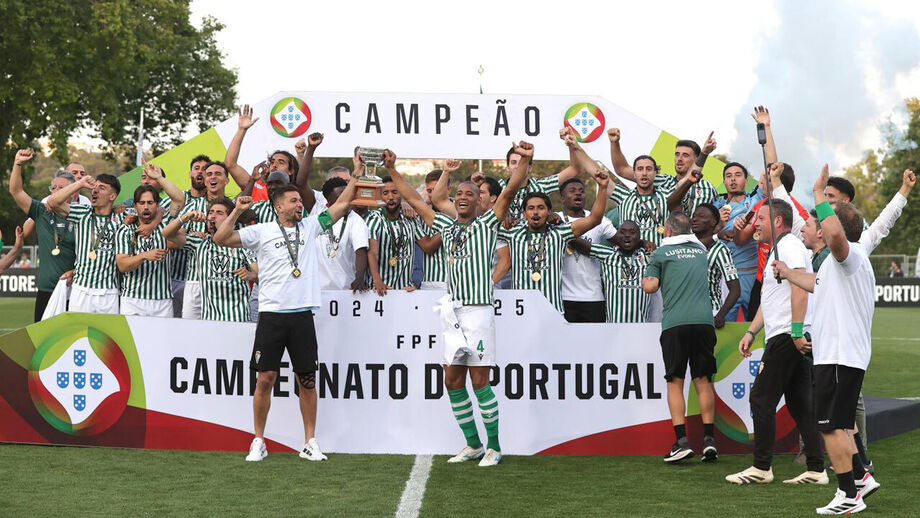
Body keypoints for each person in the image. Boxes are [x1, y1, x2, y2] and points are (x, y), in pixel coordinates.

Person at [383, 141, 529, 467]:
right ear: (453, 199)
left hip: (478, 311)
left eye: (469, 194)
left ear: (480, 201)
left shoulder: (487, 225)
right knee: (452, 381)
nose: (463, 197)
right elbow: (412, 197)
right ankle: (473, 444)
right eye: (458, 194)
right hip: (452, 313)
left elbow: (511, 189)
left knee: (480, 382)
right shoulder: (446, 226)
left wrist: (528, 158)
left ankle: (494, 446)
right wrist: (393, 168)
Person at [214, 177, 358, 462]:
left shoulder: (312, 225)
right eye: (293, 201)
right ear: (278, 206)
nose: (299, 205)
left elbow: (342, 205)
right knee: (265, 378)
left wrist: (354, 176)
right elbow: (221, 238)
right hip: (272, 315)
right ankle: (258, 440)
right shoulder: (261, 231)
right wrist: (236, 211)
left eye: (300, 201)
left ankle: (310, 442)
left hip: (302, 314)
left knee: (306, 379)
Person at [773, 166, 880, 514]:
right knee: (842, 424)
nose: (815, 223)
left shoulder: (848, 255)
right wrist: (788, 273)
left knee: (832, 427)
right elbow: (814, 283)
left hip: (839, 355)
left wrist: (819, 193)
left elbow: (834, 235)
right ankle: (861, 477)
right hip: (840, 356)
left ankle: (848, 495)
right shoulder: (836, 267)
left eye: (822, 220)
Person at [725, 198, 826, 486]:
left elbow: (801, 288)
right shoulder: (776, 250)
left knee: (761, 398)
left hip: (787, 335)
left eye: (762, 218)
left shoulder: (790, 246)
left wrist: (795, 332)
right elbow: (770, 299)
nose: (756, 223)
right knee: (800, 404)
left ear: (778, 221)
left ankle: (761, 467)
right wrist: (751, 332)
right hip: (783, 332)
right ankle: (817, 469)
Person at [642, 211, 717, 463]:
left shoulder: (661, 253)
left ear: (669, 231)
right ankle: (709, 440)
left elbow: (649, 286)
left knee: (675, 381)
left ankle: (681, 441)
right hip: (704, 322)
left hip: (676, 323)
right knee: (703, 380)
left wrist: (651, 270)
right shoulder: (700, 252)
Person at [499, 174, 609, 314]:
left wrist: (603, 188)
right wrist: (504, 219)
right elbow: (485, 225)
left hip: (553, 312)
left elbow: (594, 219)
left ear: (549, 212)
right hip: (522, 312)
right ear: (524, 214)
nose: (536, 212)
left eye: (541, 207)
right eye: (531, 208)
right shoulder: (512, 233)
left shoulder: (559, 233)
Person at [8, 149, 78, 321]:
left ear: (73, 191)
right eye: (53, 188)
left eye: (61, 188)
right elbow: (16, 192)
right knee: (43, 344)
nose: (55, 192)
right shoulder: (41, 211)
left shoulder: (83, 215)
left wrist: (77, 271)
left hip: (75, 291)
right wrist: (17, 163)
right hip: (46, 291)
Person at [164, 198, 257, 322]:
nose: (213, 216)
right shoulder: (199, 243)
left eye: (219, 213)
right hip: (210, 321)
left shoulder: (242, 245)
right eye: (211, 212)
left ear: (230, 219)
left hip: (238, 319)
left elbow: (261, 276)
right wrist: (185, 217)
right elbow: (167, 234)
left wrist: (252, 275)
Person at [47, 174, 125, 314]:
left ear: (112, 196)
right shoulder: (83, 213)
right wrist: (80, 183)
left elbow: (157, 210)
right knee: (79, 334)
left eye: (101, 188)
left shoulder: (122, 218)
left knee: (106, 335)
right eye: (94, 187)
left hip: (109, 294)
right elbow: (53, 202)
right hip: (81, 290)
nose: (95, 191)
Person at [115, 169, 186, 317]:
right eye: (141, 203)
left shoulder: (166, 224)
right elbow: (122, 265)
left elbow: (179, 199)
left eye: (150, 202)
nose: (146, 207)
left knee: (162, 341)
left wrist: (159, 178)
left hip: (162, 301)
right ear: (135, 206)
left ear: (158, 205)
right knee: (131, 341)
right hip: (132, 300)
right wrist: (144, 256)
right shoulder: (126, 230)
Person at [608, 127, 719, 214]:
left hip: (697, 241)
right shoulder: (661, 180)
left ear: (696, 158)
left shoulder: (708, 188)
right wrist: (615, 143)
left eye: (685, 155)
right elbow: (622, 169)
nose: (679, 159)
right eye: (677, 154)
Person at [557, 177, 617, 323]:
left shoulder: (599, 220)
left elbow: (622, 242)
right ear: (562, 199)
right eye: (572, 191)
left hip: (593, 296)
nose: (578, 194)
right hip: (563, 297)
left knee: (595, 344)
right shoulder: (554, 219)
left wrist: (642, 242)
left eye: (581, 191)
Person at [160, 154, 211, 317]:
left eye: (205, 169)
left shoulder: (215, 205)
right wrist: (189, 236)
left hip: (201, 280)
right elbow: (161, 235)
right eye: (197, 169)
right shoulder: (175, 200)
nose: (200, 173)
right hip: (171, 278)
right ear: (190, 173)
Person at [713, 160, 764, 322]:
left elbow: (770, 166)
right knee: (724, 325)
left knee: (755, 326)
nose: (733, 179)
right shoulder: (715, 207)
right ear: (724, 182)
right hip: (725, 277)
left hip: (752, 274)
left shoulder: (757, 199)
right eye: (728, 176)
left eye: (738, 175)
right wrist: (719, 227)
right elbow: (703, 237)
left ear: (746, 181)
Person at [366, 176, 426, 295]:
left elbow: (427, 245)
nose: (391, 197)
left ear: (402, 194)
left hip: (405, 291)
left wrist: (444, 229)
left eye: (395, 192)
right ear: (380, 196)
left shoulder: (410, 218)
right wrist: (377, 279)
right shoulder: (374, 219)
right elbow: (372, 252)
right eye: (385, 193)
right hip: (380, 289)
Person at [588, 221, 652, 323]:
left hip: (641, 326)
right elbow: (581, 245)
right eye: (622, 232)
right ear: (617, 236)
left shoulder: (648, 257)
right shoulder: (608, 255)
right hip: (614, 326)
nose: (627, 235)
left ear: (639, 236)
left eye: (632, 232)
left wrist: (643, 243)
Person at [315, 178, 370, 292]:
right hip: (317, 290)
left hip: (345, 289)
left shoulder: (356, 220)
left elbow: (360, 252)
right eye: (341, 197)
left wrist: (359, 278)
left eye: (348, 196)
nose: (346, 201)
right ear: (328, 198)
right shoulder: (318, 212)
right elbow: (300, 183)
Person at [691, 204, 740, 328]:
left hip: (709, 314)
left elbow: (735, 289)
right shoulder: (687, 244)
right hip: (686, 316)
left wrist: (721, 315)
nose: (695, 219)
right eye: (694, 216)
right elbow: (696, 246)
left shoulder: (720, 250)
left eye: (701, 216)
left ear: (713, 222)